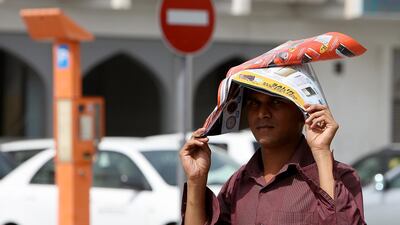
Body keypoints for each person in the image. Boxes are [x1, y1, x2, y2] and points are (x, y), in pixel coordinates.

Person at [179, 87, 366, 225]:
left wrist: (321, 152)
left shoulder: (339, 177)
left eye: (276, 102)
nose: (262, 113)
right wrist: (196, 181)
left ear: (303, 114)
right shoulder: (238, 183)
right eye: (254, 103)